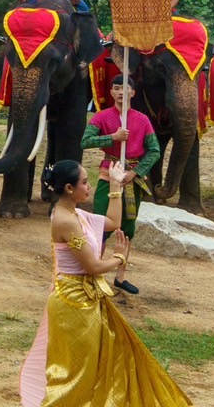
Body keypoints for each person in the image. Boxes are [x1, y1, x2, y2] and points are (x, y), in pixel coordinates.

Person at [18, 159, 191, 407]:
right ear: (69, 188)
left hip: (85, 298)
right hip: (73, 301)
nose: (88, 187)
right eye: (85, 183)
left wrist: (116, 186)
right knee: (77, 370)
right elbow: (93, 267)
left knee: (98, 361)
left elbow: (112, 222)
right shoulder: (65, 221)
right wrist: (119, 258)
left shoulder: (75, 213)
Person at [80, 75, 160, 295]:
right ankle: (94, 272)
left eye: (125, 88)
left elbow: (154, 151)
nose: (121, 92)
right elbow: (85, 141)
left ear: (133, 93)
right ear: (112, 92)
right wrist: (112, 138)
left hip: (131, 180)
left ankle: (120, 276)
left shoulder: (142, 120)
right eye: (116, 88)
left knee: (128, 228)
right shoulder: (102, 116)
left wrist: (135, 172)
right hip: (109, 175)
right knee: (100, 225)